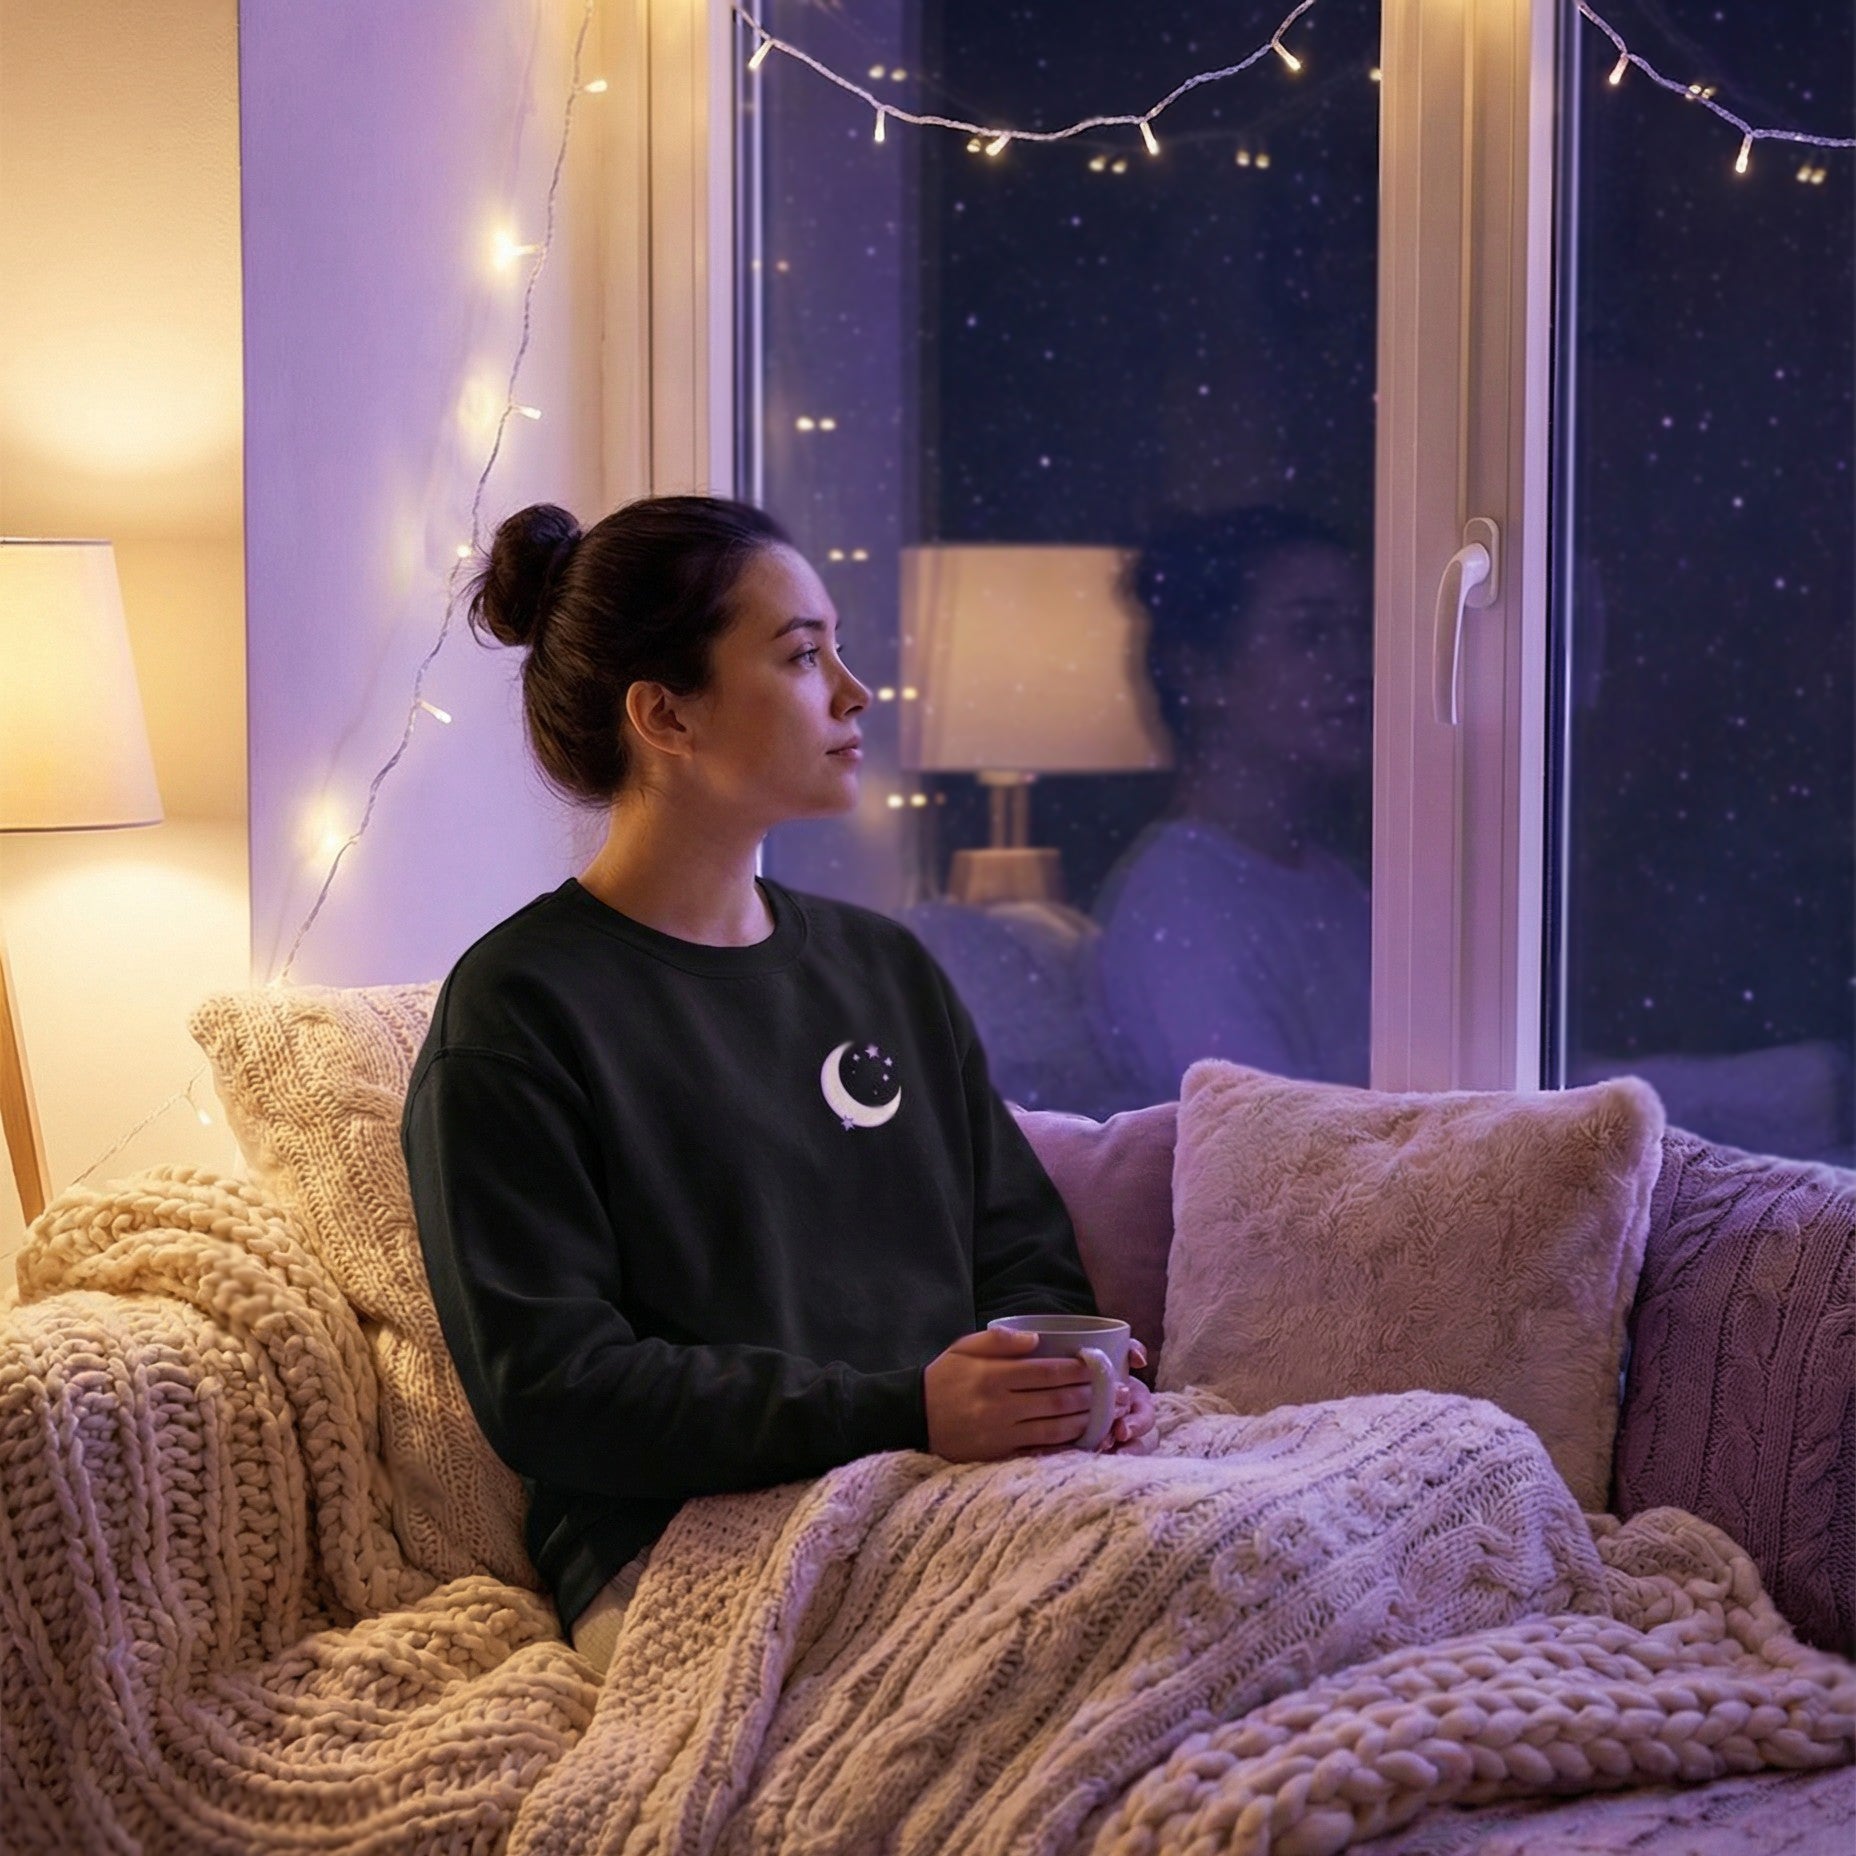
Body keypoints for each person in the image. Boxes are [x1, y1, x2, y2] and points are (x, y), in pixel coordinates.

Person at [400, 495, 1156, 1677]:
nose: (855, 692)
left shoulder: (884, 967)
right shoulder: (519, 1009)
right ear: (664, 713)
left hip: (953, 1494)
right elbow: (554, 1390)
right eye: (803, 655)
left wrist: (1053, 1384)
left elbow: (1020, 1254)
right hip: (689, 1549)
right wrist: (907, 1408)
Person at [1088, 506, 1374, 1098]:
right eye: (1312, 635)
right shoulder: (1182, 909)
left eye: (1361, 631)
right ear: (1200, 674)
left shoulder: (1331, 881)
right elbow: (1266, 1138)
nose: (1358, 667)